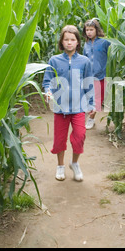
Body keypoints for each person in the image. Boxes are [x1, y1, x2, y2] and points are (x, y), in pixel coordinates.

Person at [42, 25, 95, 181]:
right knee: (59, 140)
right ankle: (60, 166)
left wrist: (91, 103)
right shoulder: (54, 60)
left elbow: (88, 83)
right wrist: (48, 91)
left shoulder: (84, 61)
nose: (69, 42)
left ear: (78, 42)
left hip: (79, 107)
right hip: (61, 108)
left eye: (73, 39)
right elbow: (48, 81)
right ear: (62, 42)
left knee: (80, 136)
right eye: (66, 39)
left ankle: (74, 163)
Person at [82, 19, 111, 130]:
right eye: (87, 30)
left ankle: (91, 120)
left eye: (91, 29)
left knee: (97, 100)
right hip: (88, 76)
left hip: (101, 76)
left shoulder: (104, 42)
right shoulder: (86, 44)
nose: (89, 32)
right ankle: (88, 117)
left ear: (96, 30)